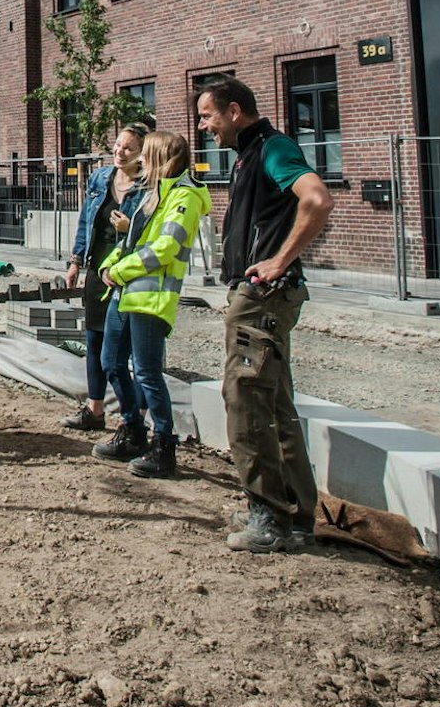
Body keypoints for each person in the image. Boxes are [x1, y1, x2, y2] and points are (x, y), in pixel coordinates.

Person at [196, 74, 334, 553]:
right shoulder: (248, 157)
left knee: (245, 399)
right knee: (275, 404)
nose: (203, 126)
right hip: (262, 294)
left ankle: (268, 517)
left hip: (264, 297)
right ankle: (295, 514)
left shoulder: (273, 148)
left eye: (208, 115)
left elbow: (317, 199)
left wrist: (280, 260)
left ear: (235, 111)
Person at [92, 130, 208, 479]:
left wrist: (120, 270)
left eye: (147, 155)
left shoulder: (183, 198)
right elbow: (133, 239)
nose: (140, 160)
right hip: (124, 294)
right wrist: (107, 266)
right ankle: (132, 430)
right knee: (110, 362)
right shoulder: (153, 194)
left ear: (163, 159)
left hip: (150, 298)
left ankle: (164, 444)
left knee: (147, 372)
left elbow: (163, 249)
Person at [61, 123, 150, 433]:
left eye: (127, 147)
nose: (119, 151)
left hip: (132, 272)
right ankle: (94, 410)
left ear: (142, 154)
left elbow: (157, 234)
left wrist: (131, 229)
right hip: (99, 270)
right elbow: (86, 221)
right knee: (95, 341)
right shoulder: (101, 178)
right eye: (117, 145)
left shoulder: (150, 187)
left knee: (133, 349)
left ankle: (137, 416)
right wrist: (75, 261)